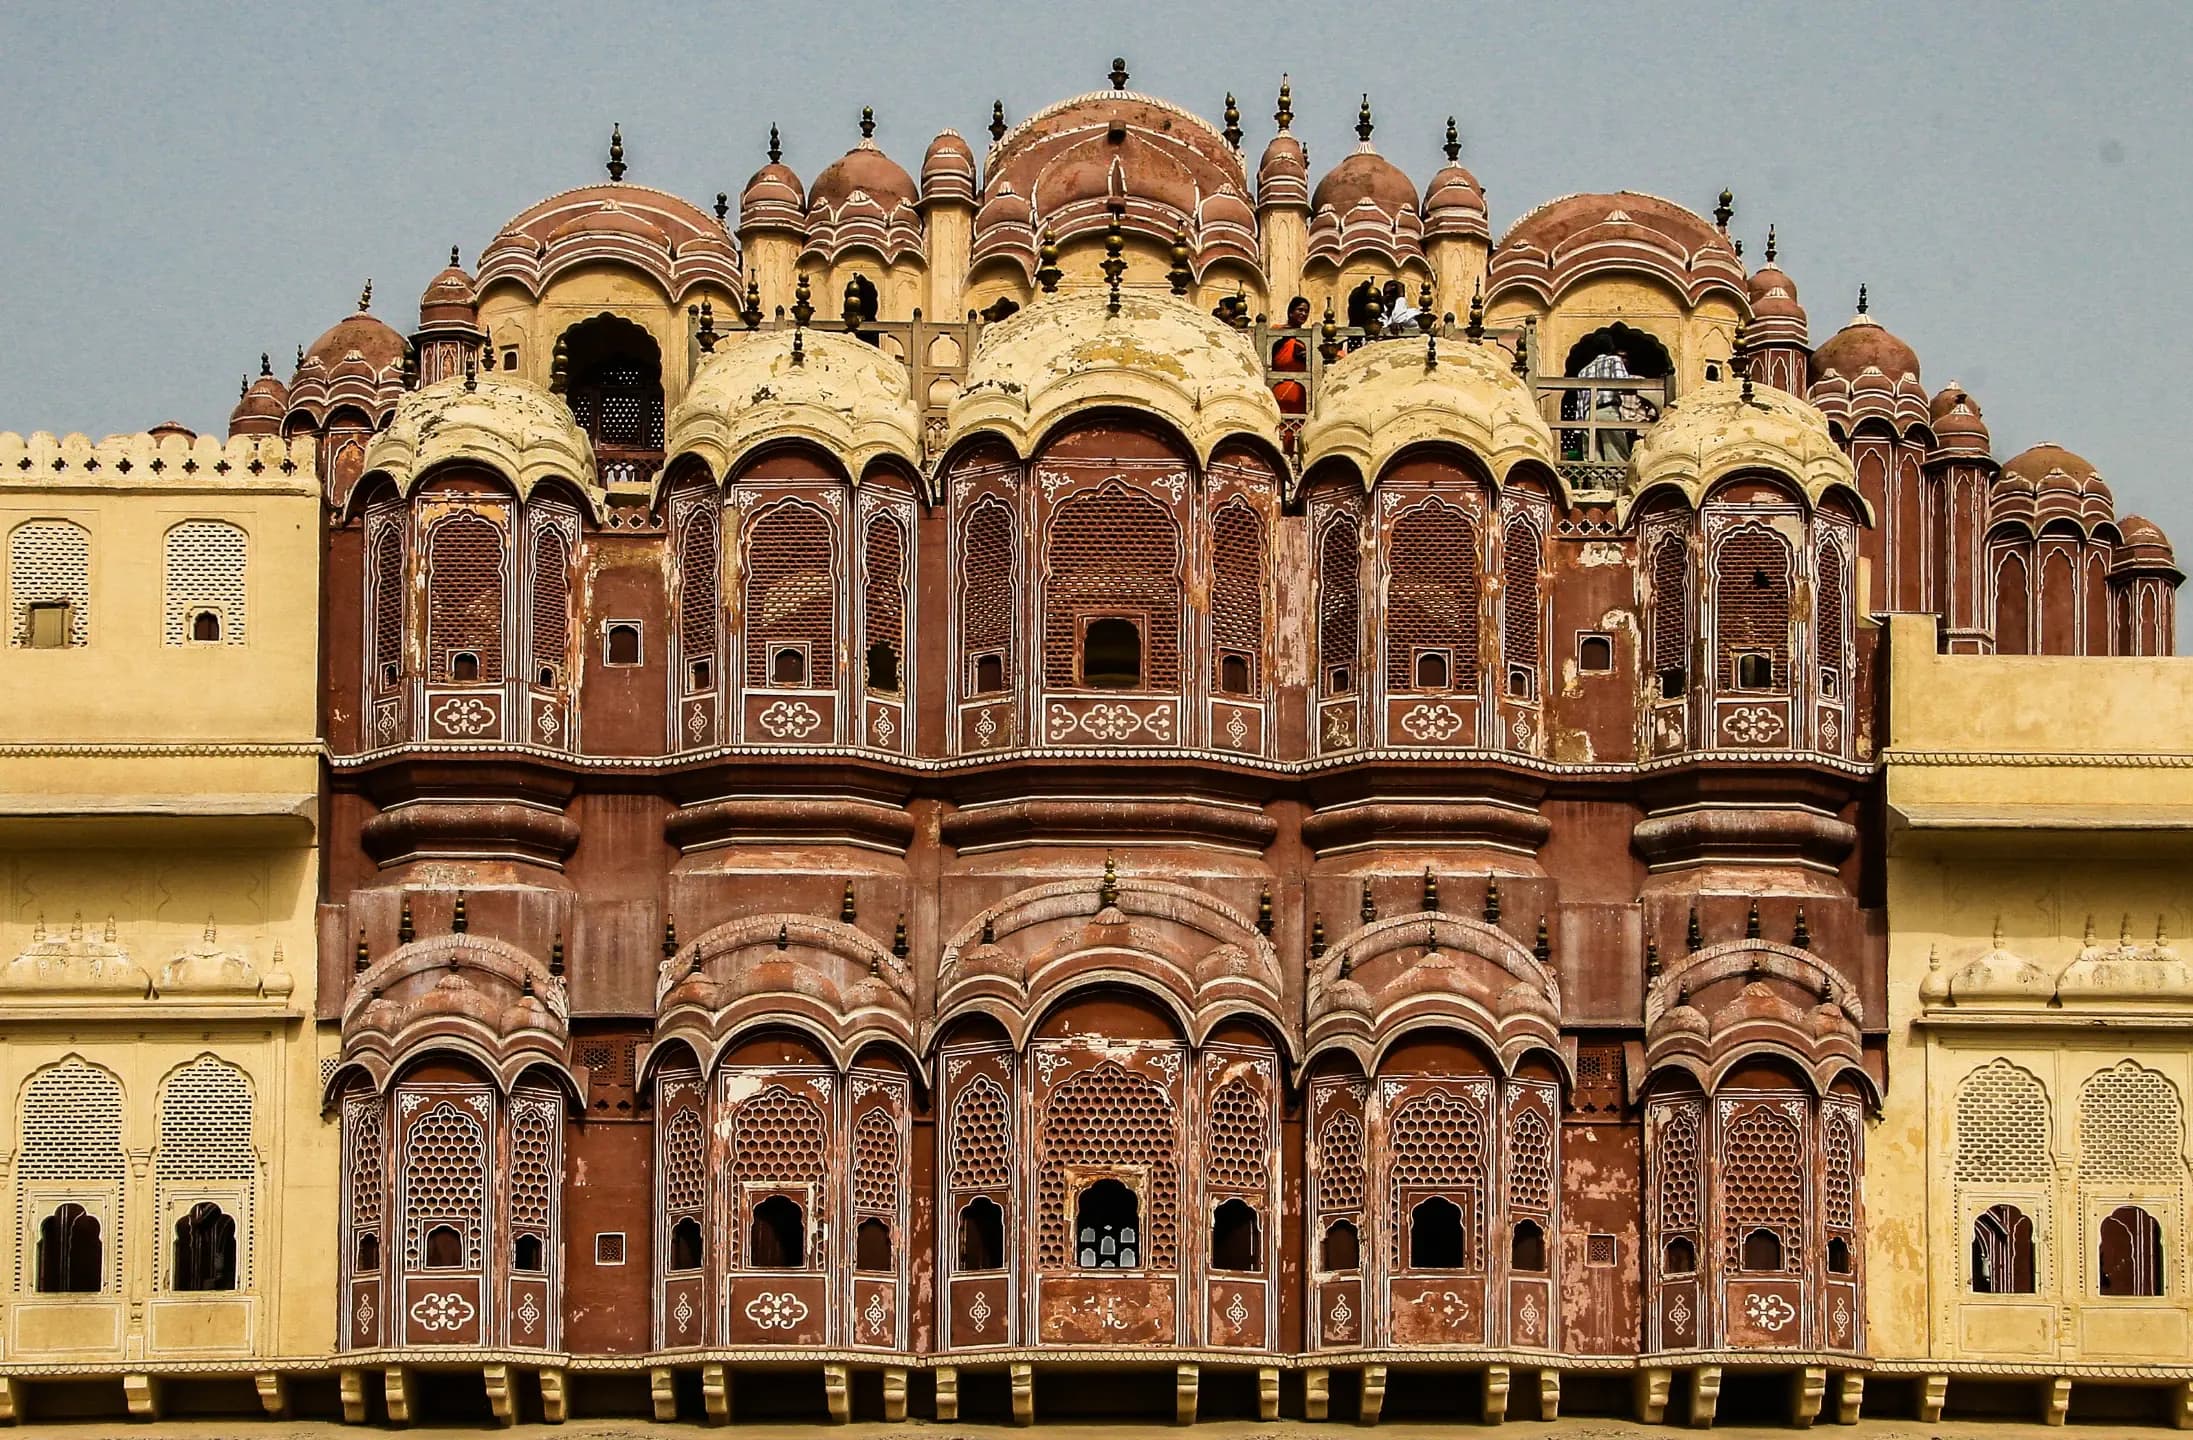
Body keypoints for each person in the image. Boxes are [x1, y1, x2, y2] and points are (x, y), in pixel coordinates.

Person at [1270, 296, 1310, 415]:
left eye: (1306, 311)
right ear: (1291, 312)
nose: (1303, 313)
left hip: (1300, 391)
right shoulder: (1277, 331)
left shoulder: (1307, 338)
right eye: (1300, 310)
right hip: (1279, 385)